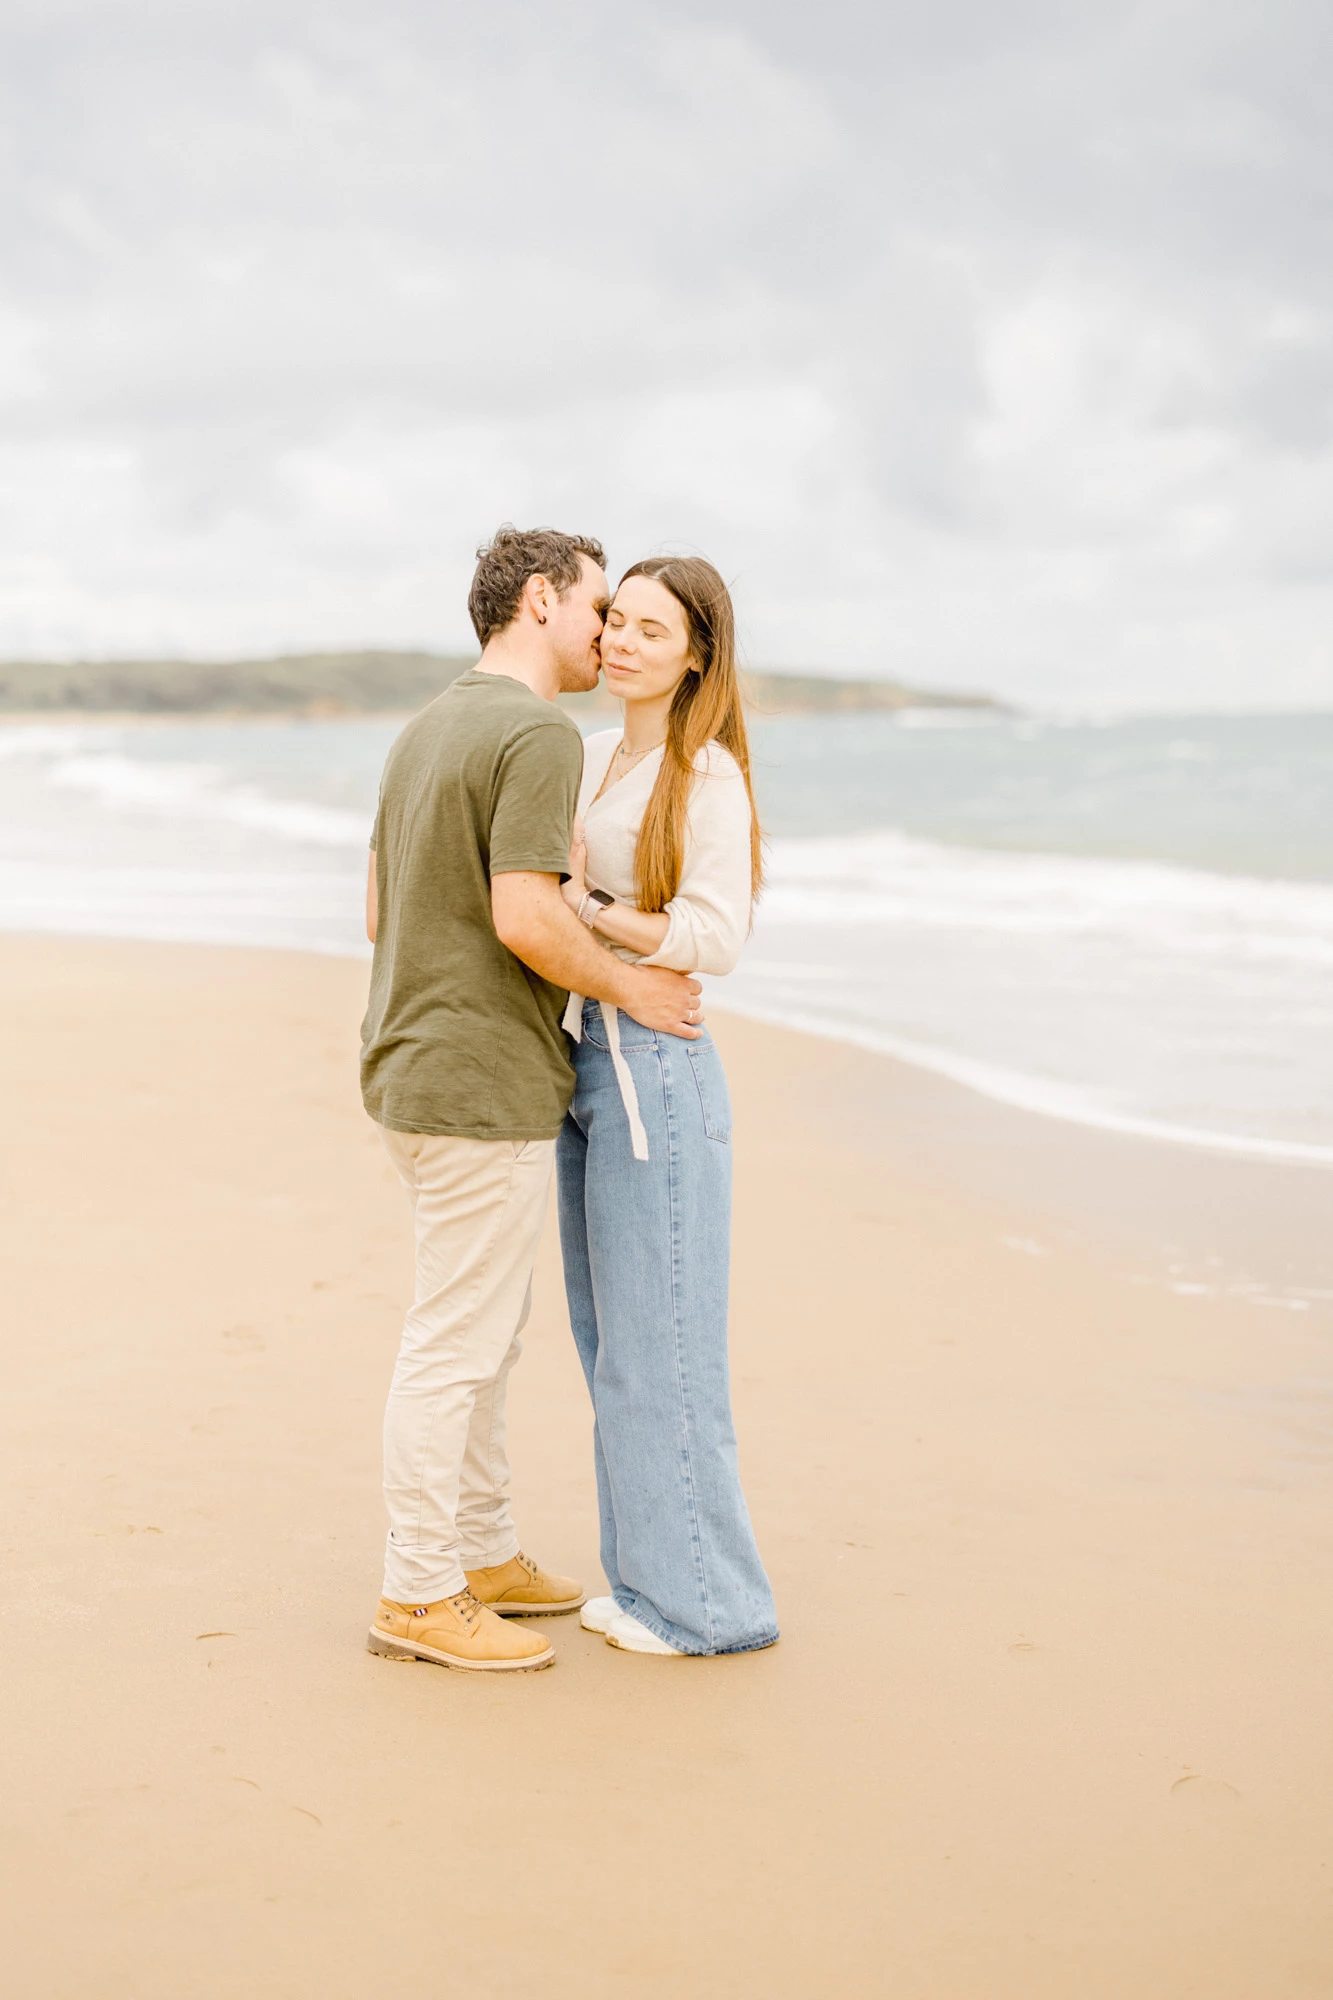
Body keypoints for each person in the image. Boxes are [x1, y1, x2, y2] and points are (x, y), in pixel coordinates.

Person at [361, 526, 704, 1674]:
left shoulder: (427, 727)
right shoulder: (533, 730)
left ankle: (485, 1547)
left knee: (484, 1334)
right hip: (477, 1082)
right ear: (541, 600)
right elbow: (525, 917)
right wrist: (632, 987)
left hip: (410, 1066)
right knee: (456, 1341)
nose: (607, 632)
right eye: (599, 608)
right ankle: (417, 1589)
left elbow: (379, 910)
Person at [556, 555, 779, 1657]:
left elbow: (715, 935)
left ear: (695, 654)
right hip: (583, 1057)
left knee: (668, 1344)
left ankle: (712, 1606)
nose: (622, 642)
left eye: (651, 629)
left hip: (656, 1060)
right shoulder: (592, 756)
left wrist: (591, 908)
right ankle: (646, 1583)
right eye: (616, 622)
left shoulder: (708, 774)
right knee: (611, 1340)